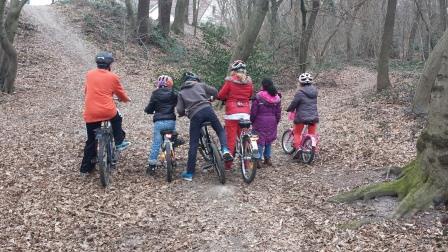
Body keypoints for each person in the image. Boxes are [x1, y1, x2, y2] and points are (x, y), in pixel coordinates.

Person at [80, 51, 131, 176]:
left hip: (90, 112)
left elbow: (86, 91)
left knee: (91, 140)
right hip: (107, 111)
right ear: (109, 65)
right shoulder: (113, 76)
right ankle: (119, 142)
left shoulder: (89, 74)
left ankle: (85, 169)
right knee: (117, 118)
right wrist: (125, 99)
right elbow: (120, 94)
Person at [176, 72, 233, 181]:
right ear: (195, 79)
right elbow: (215, 92)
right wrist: (210, 98)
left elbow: (179, 109)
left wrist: (183, 113)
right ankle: (225, 149)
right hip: (208, 110)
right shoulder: (200, 85)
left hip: (195, 115)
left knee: (193, 143)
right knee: (220, 130)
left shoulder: (181, 92)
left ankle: (189, 173)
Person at [217, 60, 254, 170]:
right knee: (244, 137)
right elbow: (250, 95)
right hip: (245, 113)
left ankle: (228, 165)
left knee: (231, 139)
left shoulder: (230, 81)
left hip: (232, 114)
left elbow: (221, 95)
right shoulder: (249, 82)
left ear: (233, 71)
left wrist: (223, 98)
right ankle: (247, 165)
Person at [144, 75, 178, 176]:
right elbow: (177, 103)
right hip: (170, 121)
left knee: (156, 143)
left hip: (159, 122)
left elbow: (150, 107)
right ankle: (172, 158)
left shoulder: (155, 94)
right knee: (170, 139)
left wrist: (148, 110)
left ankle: (152, 166)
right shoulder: (173, 94)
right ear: (170, 84)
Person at [286, 72, 319, 159]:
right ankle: (312, 148)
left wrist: (289, 109)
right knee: (312, 134)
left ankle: (298, 148)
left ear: (300, 83)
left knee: (297, 133)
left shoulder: (299, 92)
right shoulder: (315, 91)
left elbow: (294, 103)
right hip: (313, 116)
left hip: (301, 117)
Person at [250, 78, 281, 168]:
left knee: (258, 140)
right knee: (268, 140)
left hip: (260, 122)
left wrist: (252, 120)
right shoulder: (276, 97)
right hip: (272, 121)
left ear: (263, 85)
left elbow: (254, 111)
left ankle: (258, 159)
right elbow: (278, 112)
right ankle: (267, 158)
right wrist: (276, 121)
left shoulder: (258, 96)